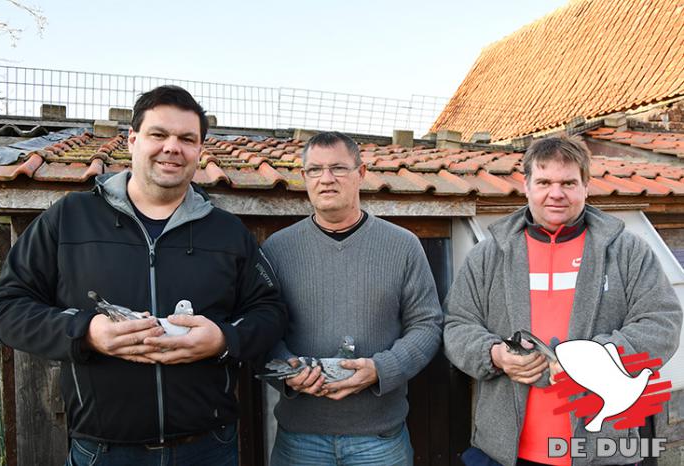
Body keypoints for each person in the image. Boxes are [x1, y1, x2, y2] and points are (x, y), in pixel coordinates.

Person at [0, 85, 287, 465]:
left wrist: (225, 339)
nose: (172, 147)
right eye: (159, 134)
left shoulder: (227, 232)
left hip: (208, 448)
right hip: (103, 450)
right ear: (132, 139)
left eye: (186, 138)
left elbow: (270, 311)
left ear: (198, 150)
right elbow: (4, 309)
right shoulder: (69, 219)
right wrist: (87, 333)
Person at [443, 136, 682, 466]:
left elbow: (662, 322)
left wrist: (594, 361)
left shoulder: (627, 250)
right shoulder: (489, 254)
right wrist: (494, 354)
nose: (556, 193)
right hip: (506, 452)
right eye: (544, 182)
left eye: (568, 182)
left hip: (603, 448)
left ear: (586, 186)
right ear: (526, 185)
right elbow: (457, 326)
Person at [262, 131, 443, 466]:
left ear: (361, 174)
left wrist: (382, 369)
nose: (326, 179)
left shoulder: (402, 246)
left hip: (379, 438)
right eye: (315, 170)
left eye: (338, 168)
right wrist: (286, 371)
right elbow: (261, 327)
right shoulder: (276, 249)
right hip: (300, 438)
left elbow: (427, 325)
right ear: (304, 178)